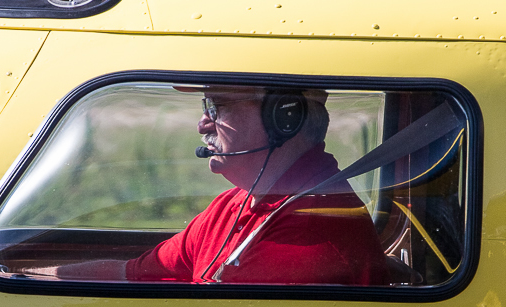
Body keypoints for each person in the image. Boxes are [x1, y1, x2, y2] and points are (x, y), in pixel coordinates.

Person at [46, 85, 411, 286]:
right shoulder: (233, 205)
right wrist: (27, 277)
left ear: (284, 118)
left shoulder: (310, 230)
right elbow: (135, 274)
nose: (203, 124)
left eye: (217, 107)